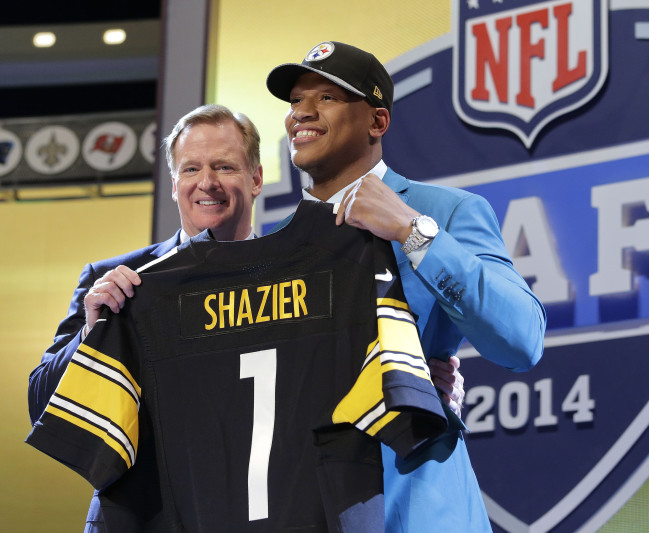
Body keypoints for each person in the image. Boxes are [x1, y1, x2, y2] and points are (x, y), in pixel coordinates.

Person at [27, 103, 465, 533]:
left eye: (224, 167)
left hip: (297, 512)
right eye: (192, 169)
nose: (208, 183)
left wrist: (415, 378)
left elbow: (356, 375)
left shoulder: (318, 273)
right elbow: (42, 404)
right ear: (174, 181)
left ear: (256, 179)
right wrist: (92, 331)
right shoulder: (118, 283)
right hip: (154, 514)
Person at [265, 41, 547, 532]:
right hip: (305, 503)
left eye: (327, 98)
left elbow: (521, 339)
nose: (302, 114)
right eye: (295, 101)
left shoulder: (444, 212)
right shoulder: (271, 247)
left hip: (415, 499)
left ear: (377, 123)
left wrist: (411, 230)